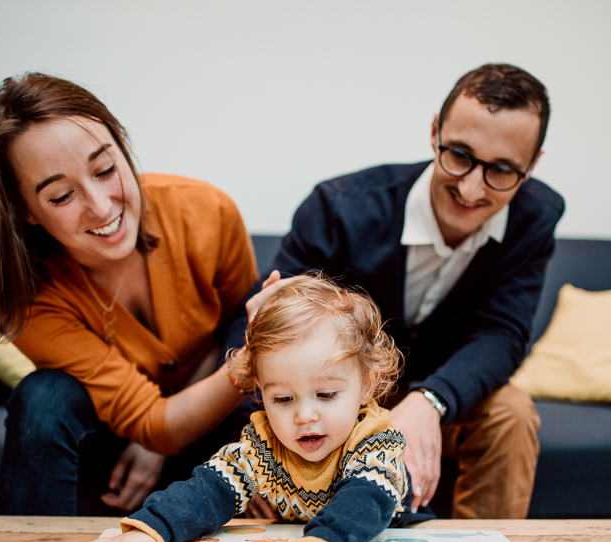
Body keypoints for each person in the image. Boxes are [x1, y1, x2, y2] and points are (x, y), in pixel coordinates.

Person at [227, 63, 564, 519]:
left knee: (512, 412)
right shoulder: (338, 207)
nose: (470, 188)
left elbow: (502, 335)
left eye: (502, 170)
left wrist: (431, 401)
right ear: (434, 131)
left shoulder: (537, 218)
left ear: (533, 164)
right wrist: (260, 446)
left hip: (445, 395)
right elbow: (270, 337)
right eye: (459, 155)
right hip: (339, 392)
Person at [0, 73, 281, 516]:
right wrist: (159, 432)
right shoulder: (27, 296)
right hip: (114, 441)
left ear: (123, 151)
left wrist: (187, 442)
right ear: (26, 212)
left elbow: (232, 328)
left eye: (105, 169)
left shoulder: (207, 210)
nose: (102, 206)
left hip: (219, 414)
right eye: (62, 195)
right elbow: (149, 419)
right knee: (44, 395)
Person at [79, 275, 419, 542]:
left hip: (390, 540)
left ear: (368, 384)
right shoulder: (263, 444)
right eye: (283, 398)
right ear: (259, 390)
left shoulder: (376, 442)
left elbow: (364, 501)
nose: (303, 415)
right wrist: (155, 528)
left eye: (326, 395)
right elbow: (210, 488)